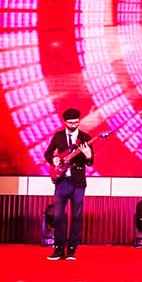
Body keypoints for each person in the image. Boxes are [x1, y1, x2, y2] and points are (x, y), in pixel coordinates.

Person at [43, 108, 93, 260]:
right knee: (58, 216)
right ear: (65, 122)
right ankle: (58, 250)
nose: (74, 125)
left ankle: (71, 250)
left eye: (76, 122)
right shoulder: (58, 136)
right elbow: (47, 153)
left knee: (77, 217)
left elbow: (90, 162)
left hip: (78, 183)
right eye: (70, 123)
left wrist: (88, 156)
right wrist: (54, 160)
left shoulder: (85, 138)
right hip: (62, 181)